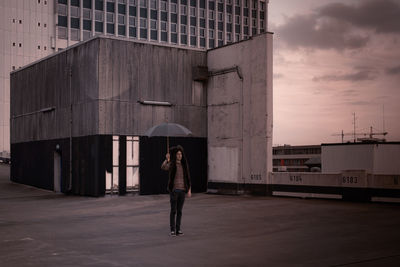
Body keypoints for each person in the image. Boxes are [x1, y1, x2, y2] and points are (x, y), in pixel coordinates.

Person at [161, 145, 191, 236]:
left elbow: (188, 178)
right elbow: (163, 167)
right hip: (174, 191)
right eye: (178, 154)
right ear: (175, 155)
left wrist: (189, 189)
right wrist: (167, 159)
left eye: (181, 154)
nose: (179, 156)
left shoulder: (184, 165)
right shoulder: (172, 164)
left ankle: (178, 229)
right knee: (173, 211)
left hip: (182, 191)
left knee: (180, 211)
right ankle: (172, 230)